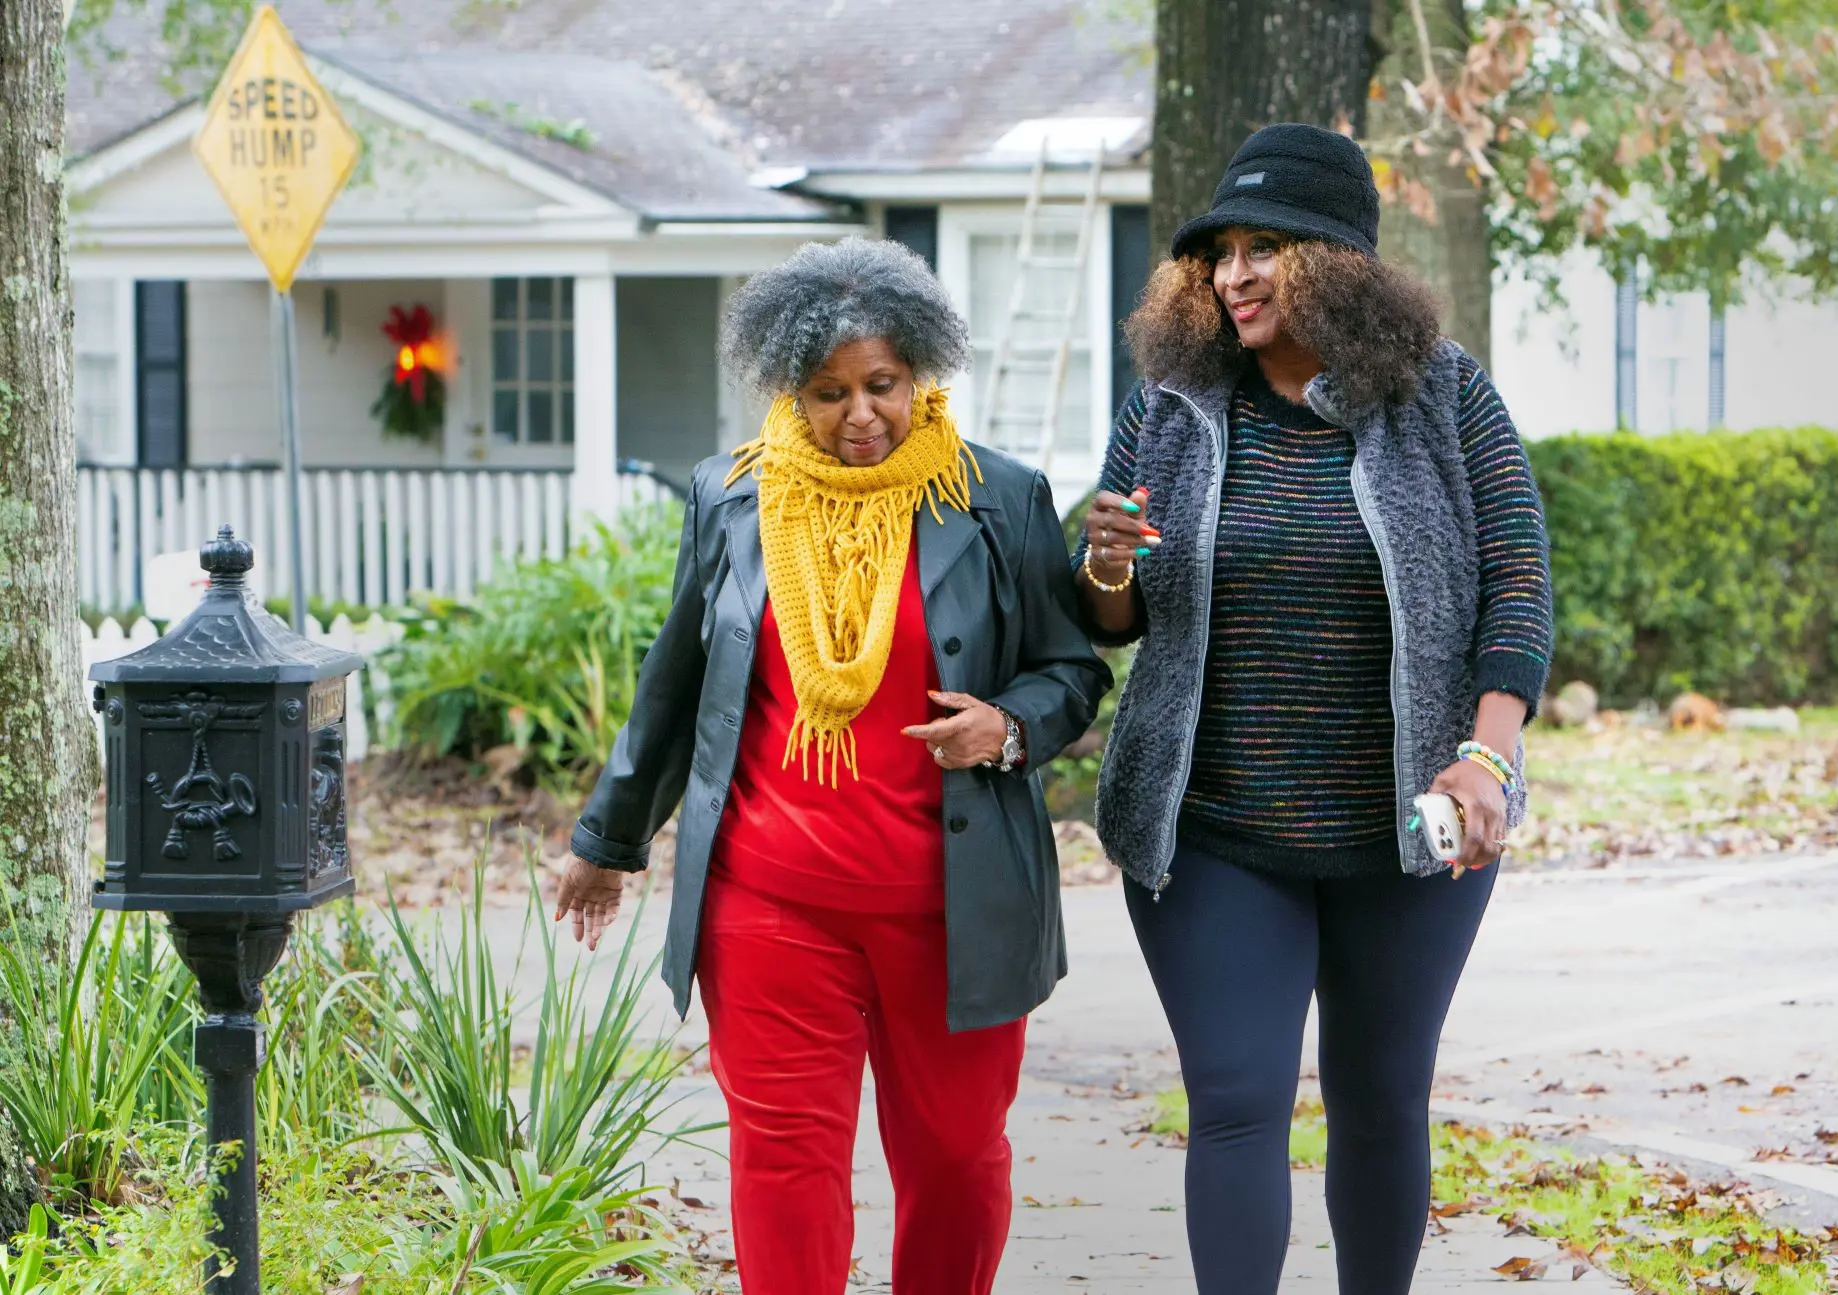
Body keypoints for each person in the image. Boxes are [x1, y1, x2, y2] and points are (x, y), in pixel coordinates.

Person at [557, 237, 1110, 1295]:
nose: (860, 414)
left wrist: (1008, 723)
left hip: (956, 903)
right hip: (771, 902)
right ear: (788, 390)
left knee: (953, 1159)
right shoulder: (731, 498)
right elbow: (675, 687)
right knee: (785, 1161)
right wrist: (607, 838)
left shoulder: (996, 497)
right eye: (829, 392)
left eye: (882, 385)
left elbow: (1072, 670)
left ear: (920, 374)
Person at [1075, 123, 1555, 1294]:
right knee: (1237, 1097)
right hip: (1216, 826)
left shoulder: (1442, 394)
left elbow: (1518, 577)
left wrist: (1487, 758)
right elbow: (1114, 618)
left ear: (1341, 260)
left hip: (1407, 826)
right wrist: (1100, 563)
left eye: (1265, 248)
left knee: (1381, 1094)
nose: (1232, 274)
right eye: (1219, 251)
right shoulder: (1174, 402)